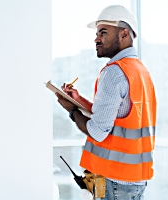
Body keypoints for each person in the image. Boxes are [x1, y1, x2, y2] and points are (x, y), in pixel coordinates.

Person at [55, 5, 157, 200]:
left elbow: (97, 131)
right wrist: (79, 100)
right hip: (135, 180)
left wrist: (71, 111)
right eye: (96, 33)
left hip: (115, 180)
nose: (96, 39)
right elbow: (117, 117)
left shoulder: (114, 72)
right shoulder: (141, 71)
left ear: (124, 34)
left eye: (103, 32)